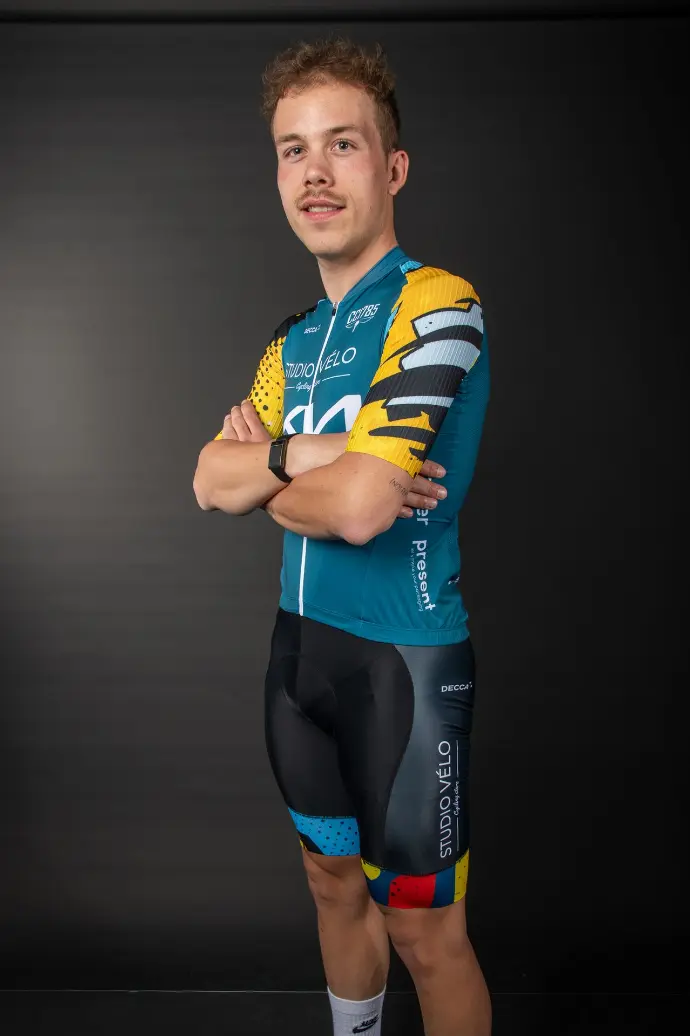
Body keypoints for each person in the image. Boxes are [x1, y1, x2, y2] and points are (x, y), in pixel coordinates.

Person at [193, 36, 491, 1036]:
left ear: (393, 167)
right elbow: (208, 480)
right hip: (298, 663)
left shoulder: (439, 304)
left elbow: (361, 510)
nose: (314, 172)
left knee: (426, 935)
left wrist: (273, 474)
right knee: (330, 884)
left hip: (403, 669)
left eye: (342, 144)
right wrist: (322, 451)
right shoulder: (290, 343)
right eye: (294, 149)